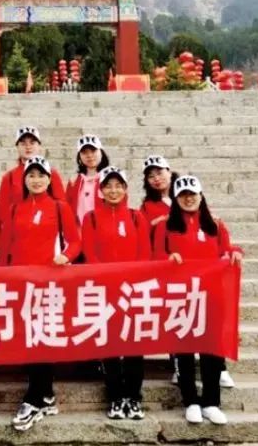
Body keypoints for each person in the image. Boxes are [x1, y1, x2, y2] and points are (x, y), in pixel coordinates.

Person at [154, 175, 243, 426]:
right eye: (183, 195)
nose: (189, 199)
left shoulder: (215, 224)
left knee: (211, 350)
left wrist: (235, 252)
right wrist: (168, 259)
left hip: (211, 295)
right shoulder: (165, 226)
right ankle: (190, 400)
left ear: (201, 196)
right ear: (176, 199)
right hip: (180, 296)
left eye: (193, 194)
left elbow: (227, 249)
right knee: (184, 350)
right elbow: (156, 254)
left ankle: (211, 402)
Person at [141, 155, 234, 390]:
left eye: (160, 172)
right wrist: (157, 224)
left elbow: (224, 244)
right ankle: (182, 372)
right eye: (151, 175)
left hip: (207, 283)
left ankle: (219, 368)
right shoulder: (149, 208)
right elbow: (151, 243)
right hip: (177, 280)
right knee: (180, 326)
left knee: (210, 326)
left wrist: (235, 252)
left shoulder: (207, 216)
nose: (156, 178)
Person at [2, 157, 80, 432]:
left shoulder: (59, 207)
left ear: (49, 179)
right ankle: (46, 395)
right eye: (31, 175)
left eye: (41, 175)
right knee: (28, 337)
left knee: (43, 337)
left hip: (50, 282)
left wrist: (66, 256)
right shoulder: (15, 209)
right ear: (24, 180)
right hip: (21, 282)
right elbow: (6, 246)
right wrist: (3, 277)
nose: (36, 180)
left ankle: (33, 399)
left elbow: (75, 241)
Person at [80, 167, 150, 420]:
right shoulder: (91, 218)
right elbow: (90, 253)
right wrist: (107, 279)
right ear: (100, 190)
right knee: (109, 344)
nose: (113, 190)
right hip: (104, 289)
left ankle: (134, 397)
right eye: (108, 186)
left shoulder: (135, 216)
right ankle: (116, 397)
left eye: (118, 186)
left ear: (125, 189)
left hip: (132, 290)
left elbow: (144, 253)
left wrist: (131, 280)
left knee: (134, 344)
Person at [0, 125, 65, 229]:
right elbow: (3, 211)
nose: (28, 147)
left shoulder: (51, 173)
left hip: (47, 228)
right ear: (17, 147)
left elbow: (61, 204)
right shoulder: (9, 177)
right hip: (19, 230)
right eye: (23, 143)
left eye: (32, 143)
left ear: (39, 145)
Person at [66, 135, 111, 225]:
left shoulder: (111, 177)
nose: (89, 155)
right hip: (80, 231)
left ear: (101, 152)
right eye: (84, 152)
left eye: (93, 151)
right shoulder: (74, 181)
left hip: (104, 230)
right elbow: (68, 209)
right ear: (79, 156)